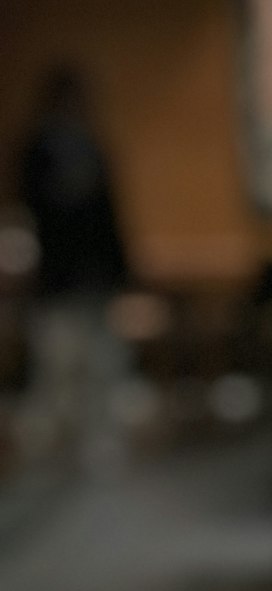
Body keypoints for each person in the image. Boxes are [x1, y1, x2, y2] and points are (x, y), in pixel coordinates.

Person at [15, 66, 130, 467]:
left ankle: (96, 442)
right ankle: (53, 446)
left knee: (100, 363)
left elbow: (110, 216)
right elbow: (32, 214)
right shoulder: (38, 151)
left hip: (94, 275)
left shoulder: (92, 146)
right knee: (57, 363)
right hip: (58, 277)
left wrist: (120, 270)